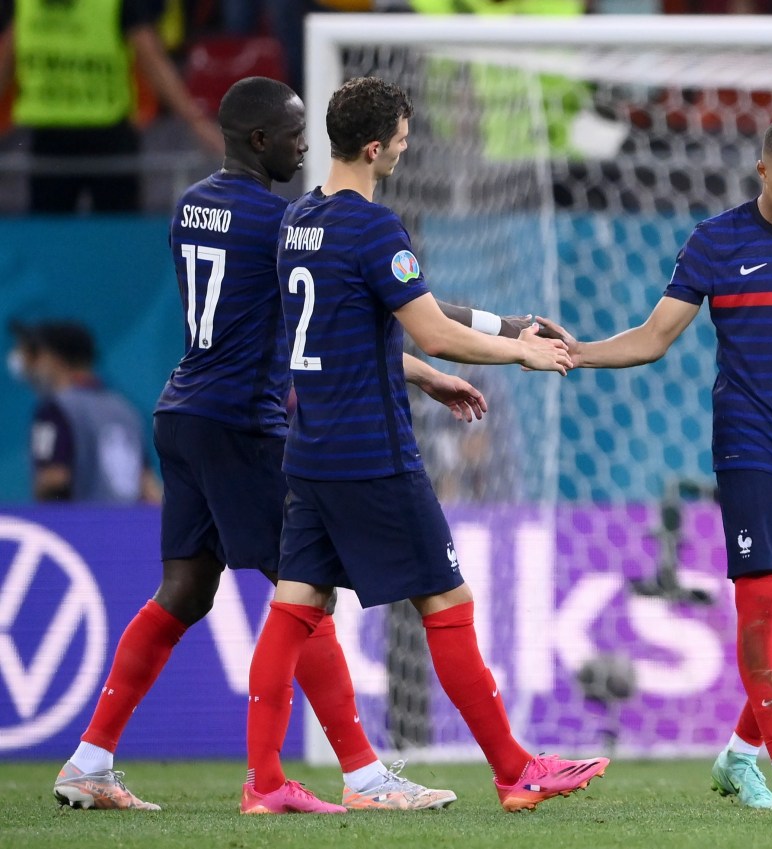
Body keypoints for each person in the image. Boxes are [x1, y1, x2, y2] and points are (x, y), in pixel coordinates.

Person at [53, 75, 524, 814]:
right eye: (296, 133)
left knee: (185, 590)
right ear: (261, 140)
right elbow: (378, 305)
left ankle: (88, 759)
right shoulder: (279, 224)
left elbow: (304, 323)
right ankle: (358, 774)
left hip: (182, 412)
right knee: (300, 595)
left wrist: (423, 374)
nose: (307, 146)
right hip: (244, 422)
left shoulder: (191, 206)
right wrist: (505, 329)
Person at [243, 74, 608, 816]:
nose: (408, 149)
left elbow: (370, 318)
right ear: (375, 148)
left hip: (310, 449)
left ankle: (264, 781)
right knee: (448, 600)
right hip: (372, 452)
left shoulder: (301, 221)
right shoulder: (377, 228)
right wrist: (522, 355)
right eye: (403, 140)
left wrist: (466, 351)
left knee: (295, 604)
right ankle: (513, 769)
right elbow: (430, 325)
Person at [536, 115, 772, 812]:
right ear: (762, 171)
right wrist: (578, 350)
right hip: (749, 448)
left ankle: (740, 753)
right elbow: (653, 337)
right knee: (762, 602)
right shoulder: (717, 240)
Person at [0, 0, 222, 213]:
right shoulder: (23, 3)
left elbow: (152, 60)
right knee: (47, 240)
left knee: (119, 236)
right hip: (48, 142)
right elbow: (5, 60)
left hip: (108, 137)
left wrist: (196, 121)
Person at [7, 320, 162, 504]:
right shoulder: (125, 410)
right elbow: (148, 486)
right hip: (125, 528)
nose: (28, 366)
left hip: (77, 528)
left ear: (55, 359)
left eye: (34, 354)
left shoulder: (55, 411)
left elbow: (53, 479)